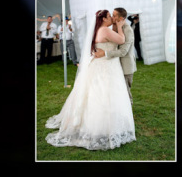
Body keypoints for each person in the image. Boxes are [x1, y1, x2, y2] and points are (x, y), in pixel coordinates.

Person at [45, 9, 136, 150]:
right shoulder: (105, 30)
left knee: (100, 93)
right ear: (104, 19)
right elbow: (121, 40)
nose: (112, 18)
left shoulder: (100, 29)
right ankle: (103, 126)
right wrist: (118, 27)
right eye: (109, 16)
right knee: (106, 94)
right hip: (106, 66)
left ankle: (107, 121)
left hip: (105, 65)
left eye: (113, 15)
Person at [93, 8, 136, 100]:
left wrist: (104, 53)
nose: (112, 17)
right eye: (111, 15)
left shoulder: (127, 30)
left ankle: (129, 109)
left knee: (125, 94)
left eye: (114, 15)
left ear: (121, 18)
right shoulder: (112, 28)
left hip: (125, 66)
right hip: (114, 66)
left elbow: (123, 51)